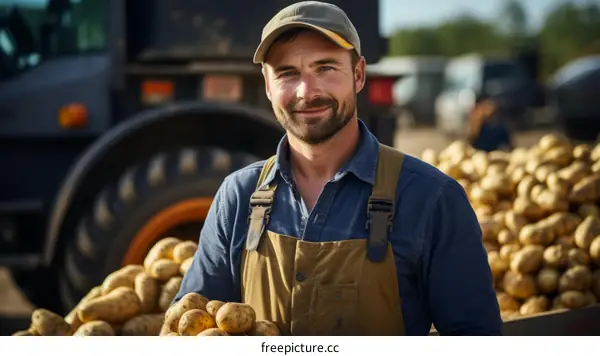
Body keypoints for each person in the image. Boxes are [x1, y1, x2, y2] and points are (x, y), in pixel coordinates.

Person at [174, 1, 502, 336]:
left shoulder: (431, 199)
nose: (307, 91)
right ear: (268, 85)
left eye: (325, 68)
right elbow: (191, 325)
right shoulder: (237, 197)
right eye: (287, 73)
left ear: (358, 74)